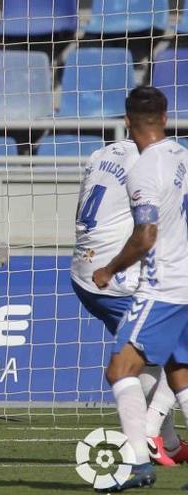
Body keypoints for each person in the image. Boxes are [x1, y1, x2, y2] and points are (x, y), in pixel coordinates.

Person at [93, 86, 188, 490]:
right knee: (181, 373)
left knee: (120, 369)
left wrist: (111, 268)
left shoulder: (144, 169)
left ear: (127, 121)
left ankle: (134, 464)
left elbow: (145, 234)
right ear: (165, 118)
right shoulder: (184, 155)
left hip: (162, 288)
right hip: (187, 281)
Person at [72, 139, 186, 466]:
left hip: (85, 272)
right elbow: (149, 231)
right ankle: (150, 435)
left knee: (149, 355)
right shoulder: (156, 162)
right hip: (119, 278)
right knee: (171, 354)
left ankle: (170, 443)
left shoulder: (100, 154)